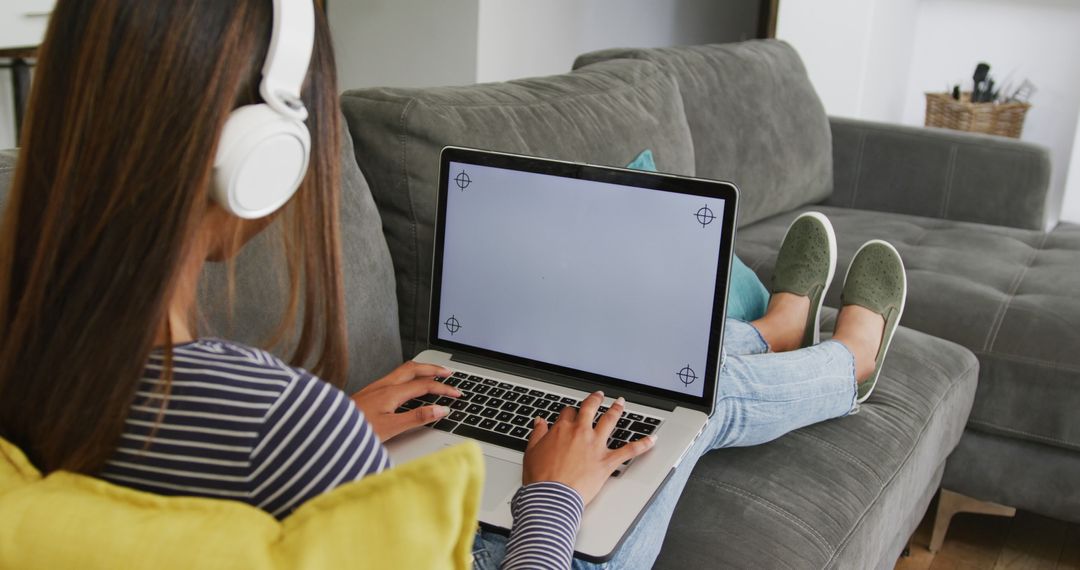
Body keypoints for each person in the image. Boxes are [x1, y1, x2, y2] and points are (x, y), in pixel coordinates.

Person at [0, 2, 906, 569]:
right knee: (678, 412)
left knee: (639, 391)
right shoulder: (286, 422)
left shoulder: (29, 361)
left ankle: (778, 333)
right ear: (257, 162)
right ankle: (840, 363)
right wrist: (555, 494)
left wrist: (337, 426)